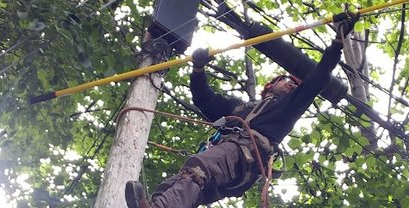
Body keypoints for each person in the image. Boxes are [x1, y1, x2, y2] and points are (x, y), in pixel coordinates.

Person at [125, 15, 358, 208]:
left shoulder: (287, 109)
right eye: (287, 80)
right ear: (270, 85)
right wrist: (198, 69)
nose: (293, 85)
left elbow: (318, 79)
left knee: (199, 167)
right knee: (180, 181)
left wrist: (337, 42)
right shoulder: (240, 109)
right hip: (227, 164)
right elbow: (205, 100)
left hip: (242, 155)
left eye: (296, 85)